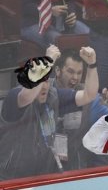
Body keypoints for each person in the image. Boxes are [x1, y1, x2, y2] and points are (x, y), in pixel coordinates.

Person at [0, 45, 98, 180]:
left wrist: (92, 64)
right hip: (11, 179)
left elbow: (89, 95)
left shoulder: (53, 96)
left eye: (46, 81)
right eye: (41, 81)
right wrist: (48, 60)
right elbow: (28, 95)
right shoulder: (14, 97)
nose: (45, 86)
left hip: (41, 178)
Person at [54, 48, 108, 168]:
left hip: (75, 167)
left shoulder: (89, 97)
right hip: (42, 167)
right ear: (58, 71)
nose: (75, 77)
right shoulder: (45, 92)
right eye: (70, 71)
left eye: (79, 73)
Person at [21, 0, 90, 49]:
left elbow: (69, 0)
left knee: (88, 35)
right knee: (59, 41)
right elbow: (25, 6)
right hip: (34, 23)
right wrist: (49, 11)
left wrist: (71, 14)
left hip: (63, 22)